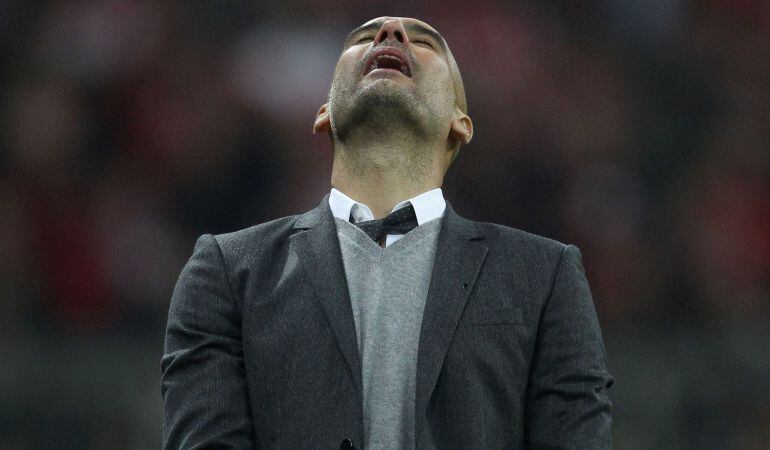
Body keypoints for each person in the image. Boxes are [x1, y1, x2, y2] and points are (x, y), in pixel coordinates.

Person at [161, 16, 614, 449]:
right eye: (361, 38)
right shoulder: (226, 274)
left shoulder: (544, 276)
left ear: (460, 122)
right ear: (325, 113)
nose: (390, 31)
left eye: (425, 42)